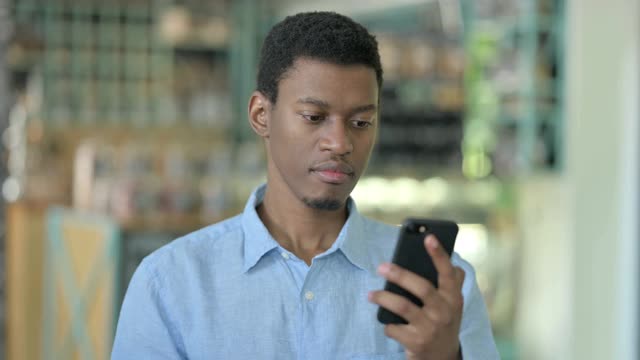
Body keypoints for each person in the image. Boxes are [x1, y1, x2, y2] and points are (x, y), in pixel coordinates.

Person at [112, 11, 499, 360]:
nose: (341, 143)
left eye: (361, 122)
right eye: (314, 117)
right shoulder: (171, 282)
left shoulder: (440, 290)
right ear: (261, 115)